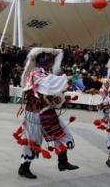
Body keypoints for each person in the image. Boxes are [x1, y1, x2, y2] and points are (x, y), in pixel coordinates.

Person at [15, 48, 78, 179]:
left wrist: (64, 86)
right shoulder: (36, 72)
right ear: (43, 60)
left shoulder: (46, 73)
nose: (51, 62)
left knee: (62, 132)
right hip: (35, 112)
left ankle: (63, 162)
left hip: (47, 111)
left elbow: (54, 88)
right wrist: (67, 79)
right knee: (33, 140)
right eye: (49, 59)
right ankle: (24, 167)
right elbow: (49, 84)